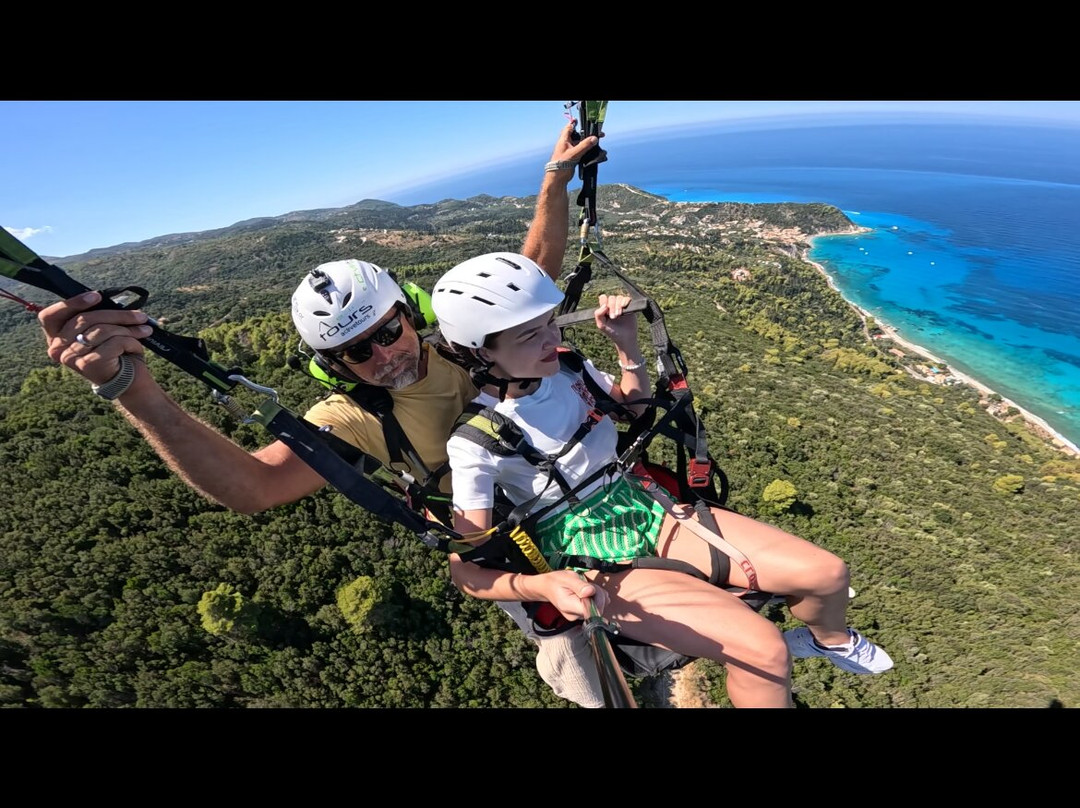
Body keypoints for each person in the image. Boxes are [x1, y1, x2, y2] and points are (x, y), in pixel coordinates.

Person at [37, 122, 611, 708]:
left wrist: (555, 176)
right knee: (587, 668)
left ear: (410, 313)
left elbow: (532, 266)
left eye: (389, 331)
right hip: (518, 547)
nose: (385, 354)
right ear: (334, 366)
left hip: (586, 484)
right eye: (359, 351)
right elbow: (255, 487)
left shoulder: (458, 342)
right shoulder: (356, 416)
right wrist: (135, 392)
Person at [431, 251, 894, 708]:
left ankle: (828, 640)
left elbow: (633, 409)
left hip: (641, 504)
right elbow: (467, 570)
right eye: (530, 335)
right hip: (586, 551)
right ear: (480, 353)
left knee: (827, 574)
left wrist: (626, 347)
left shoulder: (567, 365)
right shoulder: (475, 441)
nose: (551, 338)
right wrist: (544, 587)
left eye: (552, 322)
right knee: (763, 648)